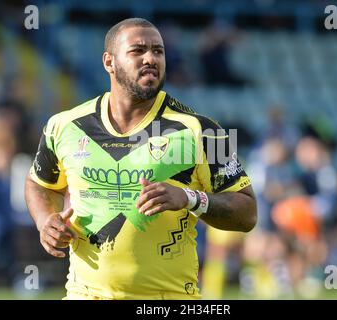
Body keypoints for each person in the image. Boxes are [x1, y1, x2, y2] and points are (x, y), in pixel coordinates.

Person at [24, 18, 257, 300]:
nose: (150, 58)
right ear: (109, 62)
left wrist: (190, 198)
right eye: (138, 51)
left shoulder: (203, 130)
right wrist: (45, 220)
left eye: (158, 51)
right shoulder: (64, 125)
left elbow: (248, 213)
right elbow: (38, 183)